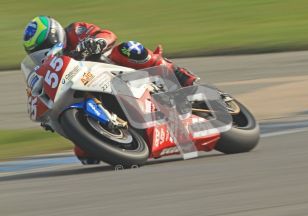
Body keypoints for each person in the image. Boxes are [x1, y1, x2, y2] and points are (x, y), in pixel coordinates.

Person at [23, 16, 199, 164]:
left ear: (56, 36)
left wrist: (96, 42)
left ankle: (179, 74)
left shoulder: (75, 30)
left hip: (111, 70)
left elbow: (108, 34)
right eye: (38, 54)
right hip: (82, 90)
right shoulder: (47, 66)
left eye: (46, 46)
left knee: (129, 48)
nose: (44, 55)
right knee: (83, 154)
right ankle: (116, 133)